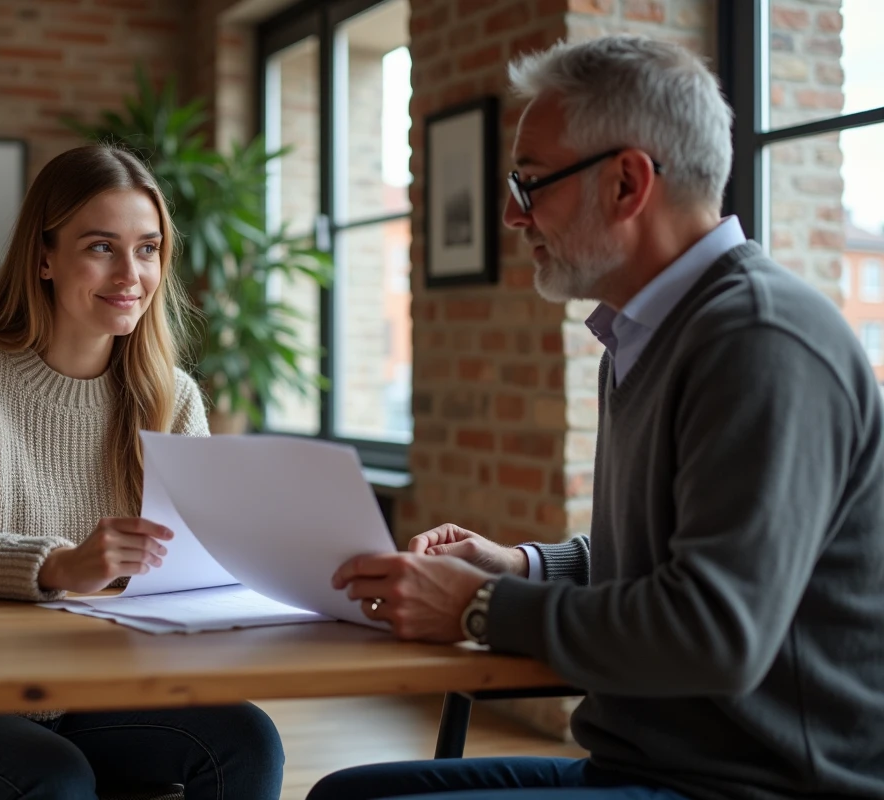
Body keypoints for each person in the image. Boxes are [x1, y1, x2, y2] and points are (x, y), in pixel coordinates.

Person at [310, 34, 884, 800]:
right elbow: (672, 561)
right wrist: (522, 567)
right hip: (656, 766)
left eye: (532, 184)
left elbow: (715, 631)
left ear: (625, 184)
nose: (516, 218)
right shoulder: (648, 333)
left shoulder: (758, 342)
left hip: (758, 786)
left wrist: (478, 606)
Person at [0, 144, 285, 800]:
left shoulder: (173, 397)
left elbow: (196, 573)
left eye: (148, 248)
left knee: (247, 743)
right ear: (44, 257)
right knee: (57, 779)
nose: (130, 273)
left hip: (85, 693)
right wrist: (59, 566)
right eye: (100, 247)